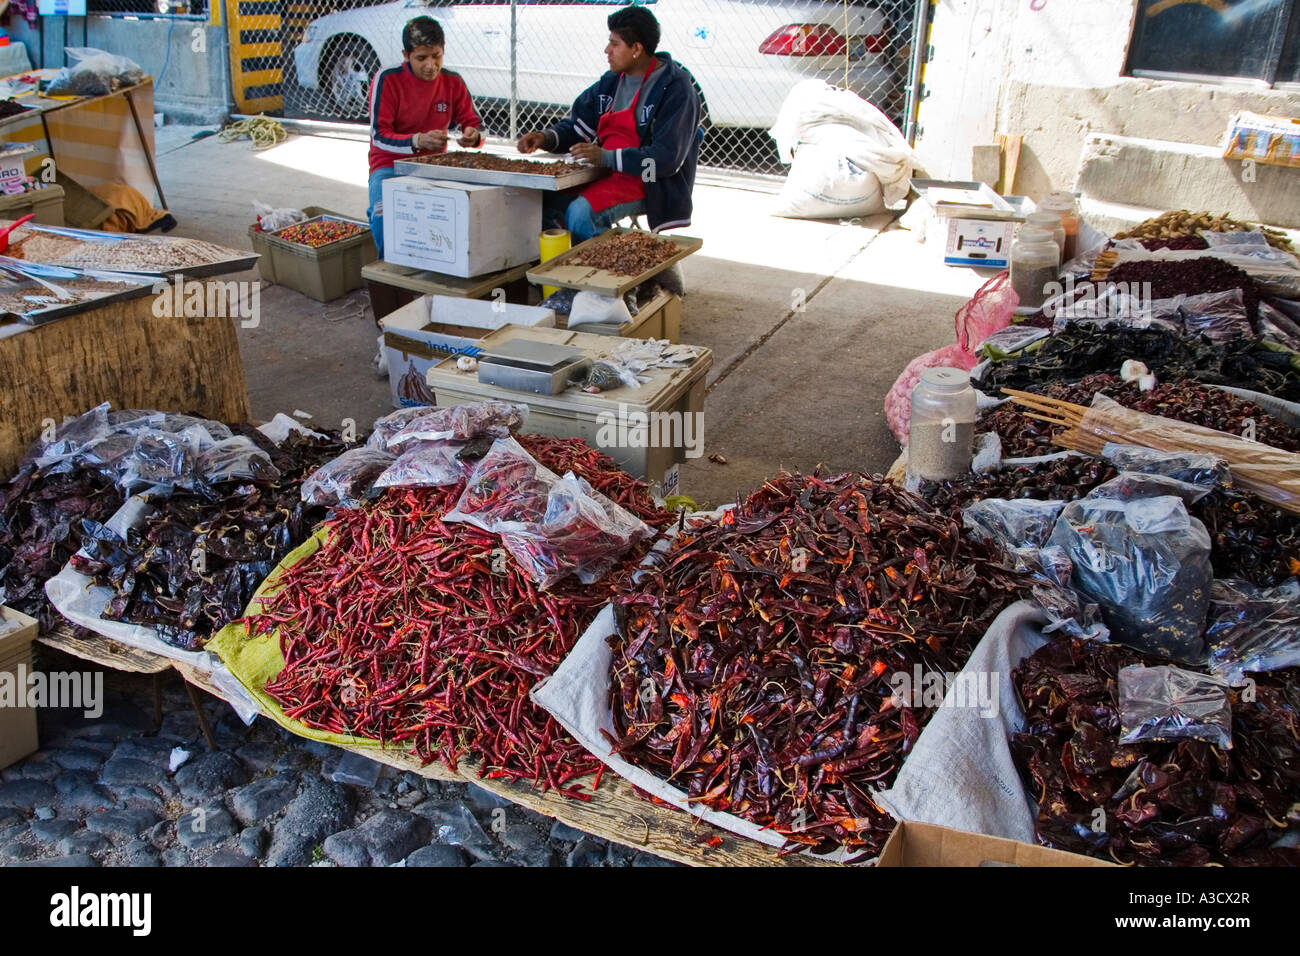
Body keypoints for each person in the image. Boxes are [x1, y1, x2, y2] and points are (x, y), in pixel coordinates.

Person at [517, 5, 702, 241]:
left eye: (615, 44)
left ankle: (648, 267)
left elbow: (665, 162)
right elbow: (577, 128)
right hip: (606, 173)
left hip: (649, 181)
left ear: (636, 49)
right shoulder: (611, 82)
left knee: (580, 215)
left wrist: (605, 157)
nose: (607, 50)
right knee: (539, 203)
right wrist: (545, 138)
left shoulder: (676, 89)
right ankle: (563, 272)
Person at [368, 16, 482, 257]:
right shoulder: (387, 79)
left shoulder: (453, 81)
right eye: (421, 58)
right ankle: (389, 279)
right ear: (406, 55)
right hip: (389, 166)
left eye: (437, 56)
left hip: (435, 167)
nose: (431, 65)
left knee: (462, 218)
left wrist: (473, 136)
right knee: (384, 218)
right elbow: (378, 135)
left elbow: (476, 125)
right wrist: (417, 141)